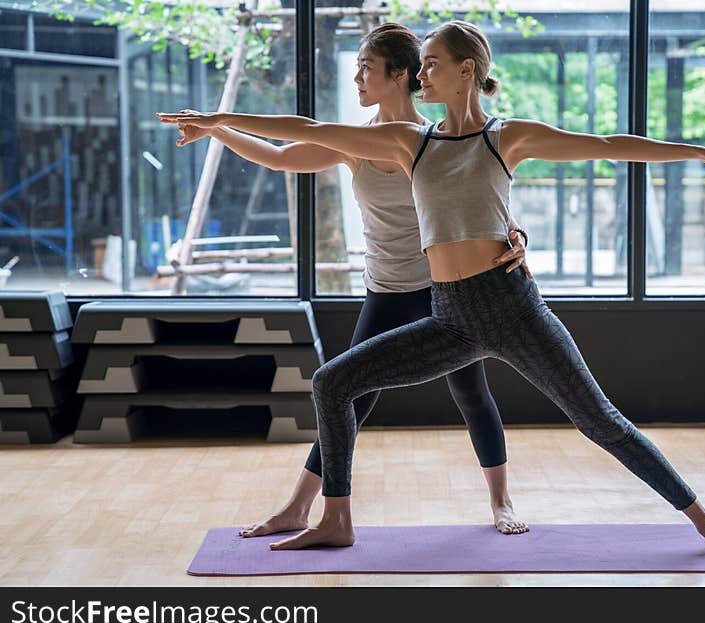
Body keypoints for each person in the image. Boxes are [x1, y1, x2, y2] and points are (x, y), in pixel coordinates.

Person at [158, 20, 705, 562]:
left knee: (600, 422)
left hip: (512, 309)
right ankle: (334, 518)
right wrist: (218, 121)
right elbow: (305, 130)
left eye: (431, 64)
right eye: (418, 65)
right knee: (333, 382)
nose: (422, 74)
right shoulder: (407, 143)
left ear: (465, 70)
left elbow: (606, 147)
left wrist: (700, 153)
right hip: (449, 317)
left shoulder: (507, 137)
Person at [170, 23, 530, 537]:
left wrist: (515, 232)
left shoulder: (438, 139)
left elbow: (483, 200)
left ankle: (503, 503)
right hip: (385, 289)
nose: (357, 77)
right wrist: (217, 130)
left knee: (472, 392)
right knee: (348, 395)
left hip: (443, 289)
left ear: (399, 75)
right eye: (357, 66)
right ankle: (297, 508)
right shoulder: (354, 143)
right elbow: (278, 156)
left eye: (367, 67)